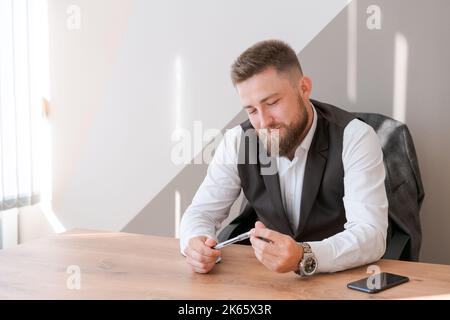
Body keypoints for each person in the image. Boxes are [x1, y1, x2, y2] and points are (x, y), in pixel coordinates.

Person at [180, 39, 388, 276]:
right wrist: (195, 243)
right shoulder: (240, 140)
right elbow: (200, 213)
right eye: (251, 110)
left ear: (304, 88)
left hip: (341, 279)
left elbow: (371, 234)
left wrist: (304, 255)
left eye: (272, 103)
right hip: (266, 281)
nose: (264, 121)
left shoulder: (355, 136)